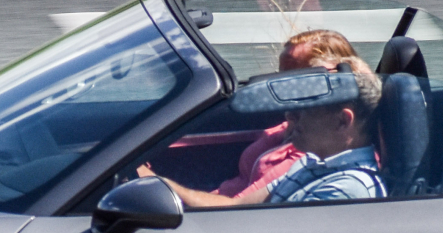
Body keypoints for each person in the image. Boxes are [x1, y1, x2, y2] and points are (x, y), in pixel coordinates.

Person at [145, 58, 384, 208]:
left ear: (343, 121)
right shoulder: (313, 163)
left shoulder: (347, 190)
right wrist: (159, 185)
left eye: (305, 110)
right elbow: (234, 208)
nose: (290, 117)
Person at [212, 27, 360, 199]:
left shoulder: (312, 146)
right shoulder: (286, 127)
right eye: (280, 75)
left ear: (325, 79)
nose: (281, 84)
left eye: (293, 77)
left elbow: (238, 206)